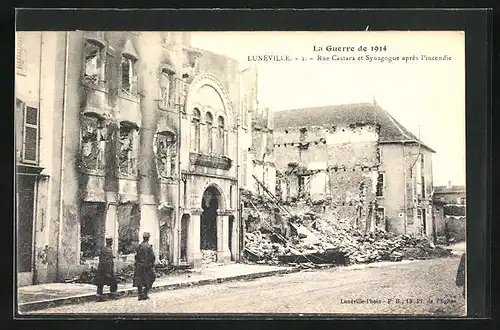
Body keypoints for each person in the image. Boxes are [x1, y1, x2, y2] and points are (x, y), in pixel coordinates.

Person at [133, 232, 156, 300]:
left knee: (139, 281)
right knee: (152, 278)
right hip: (147, 266)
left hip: (139, 266)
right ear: (148, 238)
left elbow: (136, 256)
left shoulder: (139, 246)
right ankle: (145, 293)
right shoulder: (148, 247)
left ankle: (140, 294)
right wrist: (151, 264)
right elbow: (152, 257)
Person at [94, 236, 118, 302]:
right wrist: (109, 272)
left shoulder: (104, 249)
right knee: (114, 281)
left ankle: (99, 296)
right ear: (111, 242)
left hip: (101, 269)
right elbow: (108, 262)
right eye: (111, 241)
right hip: (106, 270)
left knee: (100, 284)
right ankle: (112, 294)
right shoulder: (108, 250)